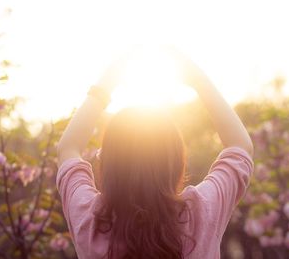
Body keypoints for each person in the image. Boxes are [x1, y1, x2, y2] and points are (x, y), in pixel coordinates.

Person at [56, 48, 254, 259]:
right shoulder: (201, 212)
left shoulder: (90, 221)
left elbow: (68, 147)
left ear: (108, 164)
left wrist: (106, 84)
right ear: (177, 163)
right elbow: (239, 145)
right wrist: (199, 81)